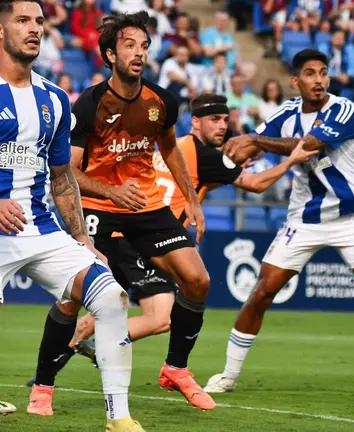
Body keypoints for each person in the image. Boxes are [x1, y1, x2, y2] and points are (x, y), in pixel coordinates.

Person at [0, 1, 141, 431]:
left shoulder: (55, 99)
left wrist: (81, 237)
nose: (34, 29)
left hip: (44, 231)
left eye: (39, 21)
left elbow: (62, 178)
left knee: (111, 297)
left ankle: (119, 418)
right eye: (23, 21)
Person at [27, 10, 215, 416]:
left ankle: (176, 369)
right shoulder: (90, 105)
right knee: (72, 297)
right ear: (110, 54)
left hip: (146, 205)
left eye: (144, 46)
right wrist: (112, 189)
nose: (139, 53)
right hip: (98, 207)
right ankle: (43, 386)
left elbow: (167, 147)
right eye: (129, 45)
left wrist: (192, 200)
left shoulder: (162, 100)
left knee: (197, 281)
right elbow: (69, 172)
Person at [48, 93, 318, 376]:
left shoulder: (175, 147)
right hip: (147, 237)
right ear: (196, 123)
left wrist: (222, 174)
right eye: (215, 120)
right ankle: (96, 345)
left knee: (98, 300)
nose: (222, 126)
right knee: (162, 317)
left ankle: (51, 367)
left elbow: (192, 186)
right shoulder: (206, 155)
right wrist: (292, 161)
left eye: (226, 120)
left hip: (126, 231)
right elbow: (256, 184)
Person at [207, 49, 354, 399]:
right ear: (295, 82)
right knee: (261, 293)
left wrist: (252, 140)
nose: (320, 80)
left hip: (349, 218)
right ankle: (229, 374)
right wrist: (225, 159)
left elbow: (306, 146)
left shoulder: (344, 109)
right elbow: (251, 147)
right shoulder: (286, 113)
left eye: (324, 72)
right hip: (304, 220)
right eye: (310, 74)